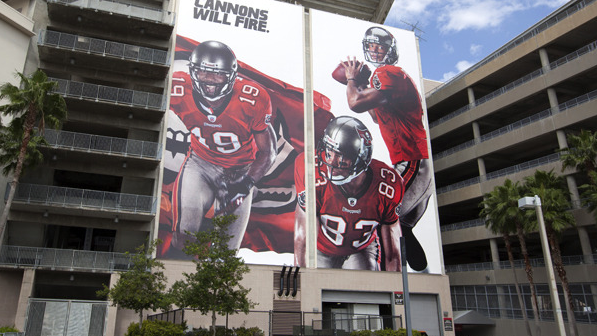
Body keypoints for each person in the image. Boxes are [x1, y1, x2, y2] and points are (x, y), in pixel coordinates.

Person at [338, 26, 432, 270]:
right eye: (371, 46)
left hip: (412, 162)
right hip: (414, 164)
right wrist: (361, 82)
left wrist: (351, 78)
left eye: (380, 46)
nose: (375, 50)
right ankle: (418, 276)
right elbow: (376, 115)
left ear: (390, 50)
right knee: (400, 227)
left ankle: (386, 283)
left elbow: (355, 103)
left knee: (379, 217)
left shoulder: (390, 73)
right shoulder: (385, 80)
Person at [169, 40, 276, 251]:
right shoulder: (177, 89)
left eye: (218, 74)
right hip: (200, 164)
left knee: (226, 252)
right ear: (192, 71)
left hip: (240, 170)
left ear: (232, 76)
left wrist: (245, 184)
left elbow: (267, 152)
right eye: (203, 72)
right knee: (183, 235)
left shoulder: (251, 98)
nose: (210, 80)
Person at [294, 116, 404, 270]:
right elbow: (304, 240)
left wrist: (398, 292)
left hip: (361, 249)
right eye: (329, 152)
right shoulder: (311, 171)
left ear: (361, 158)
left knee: (366, 289)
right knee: (315, 288)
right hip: (322, 249)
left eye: (340, 156)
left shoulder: (387, 185)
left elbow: (393, 254)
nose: (330, 163)